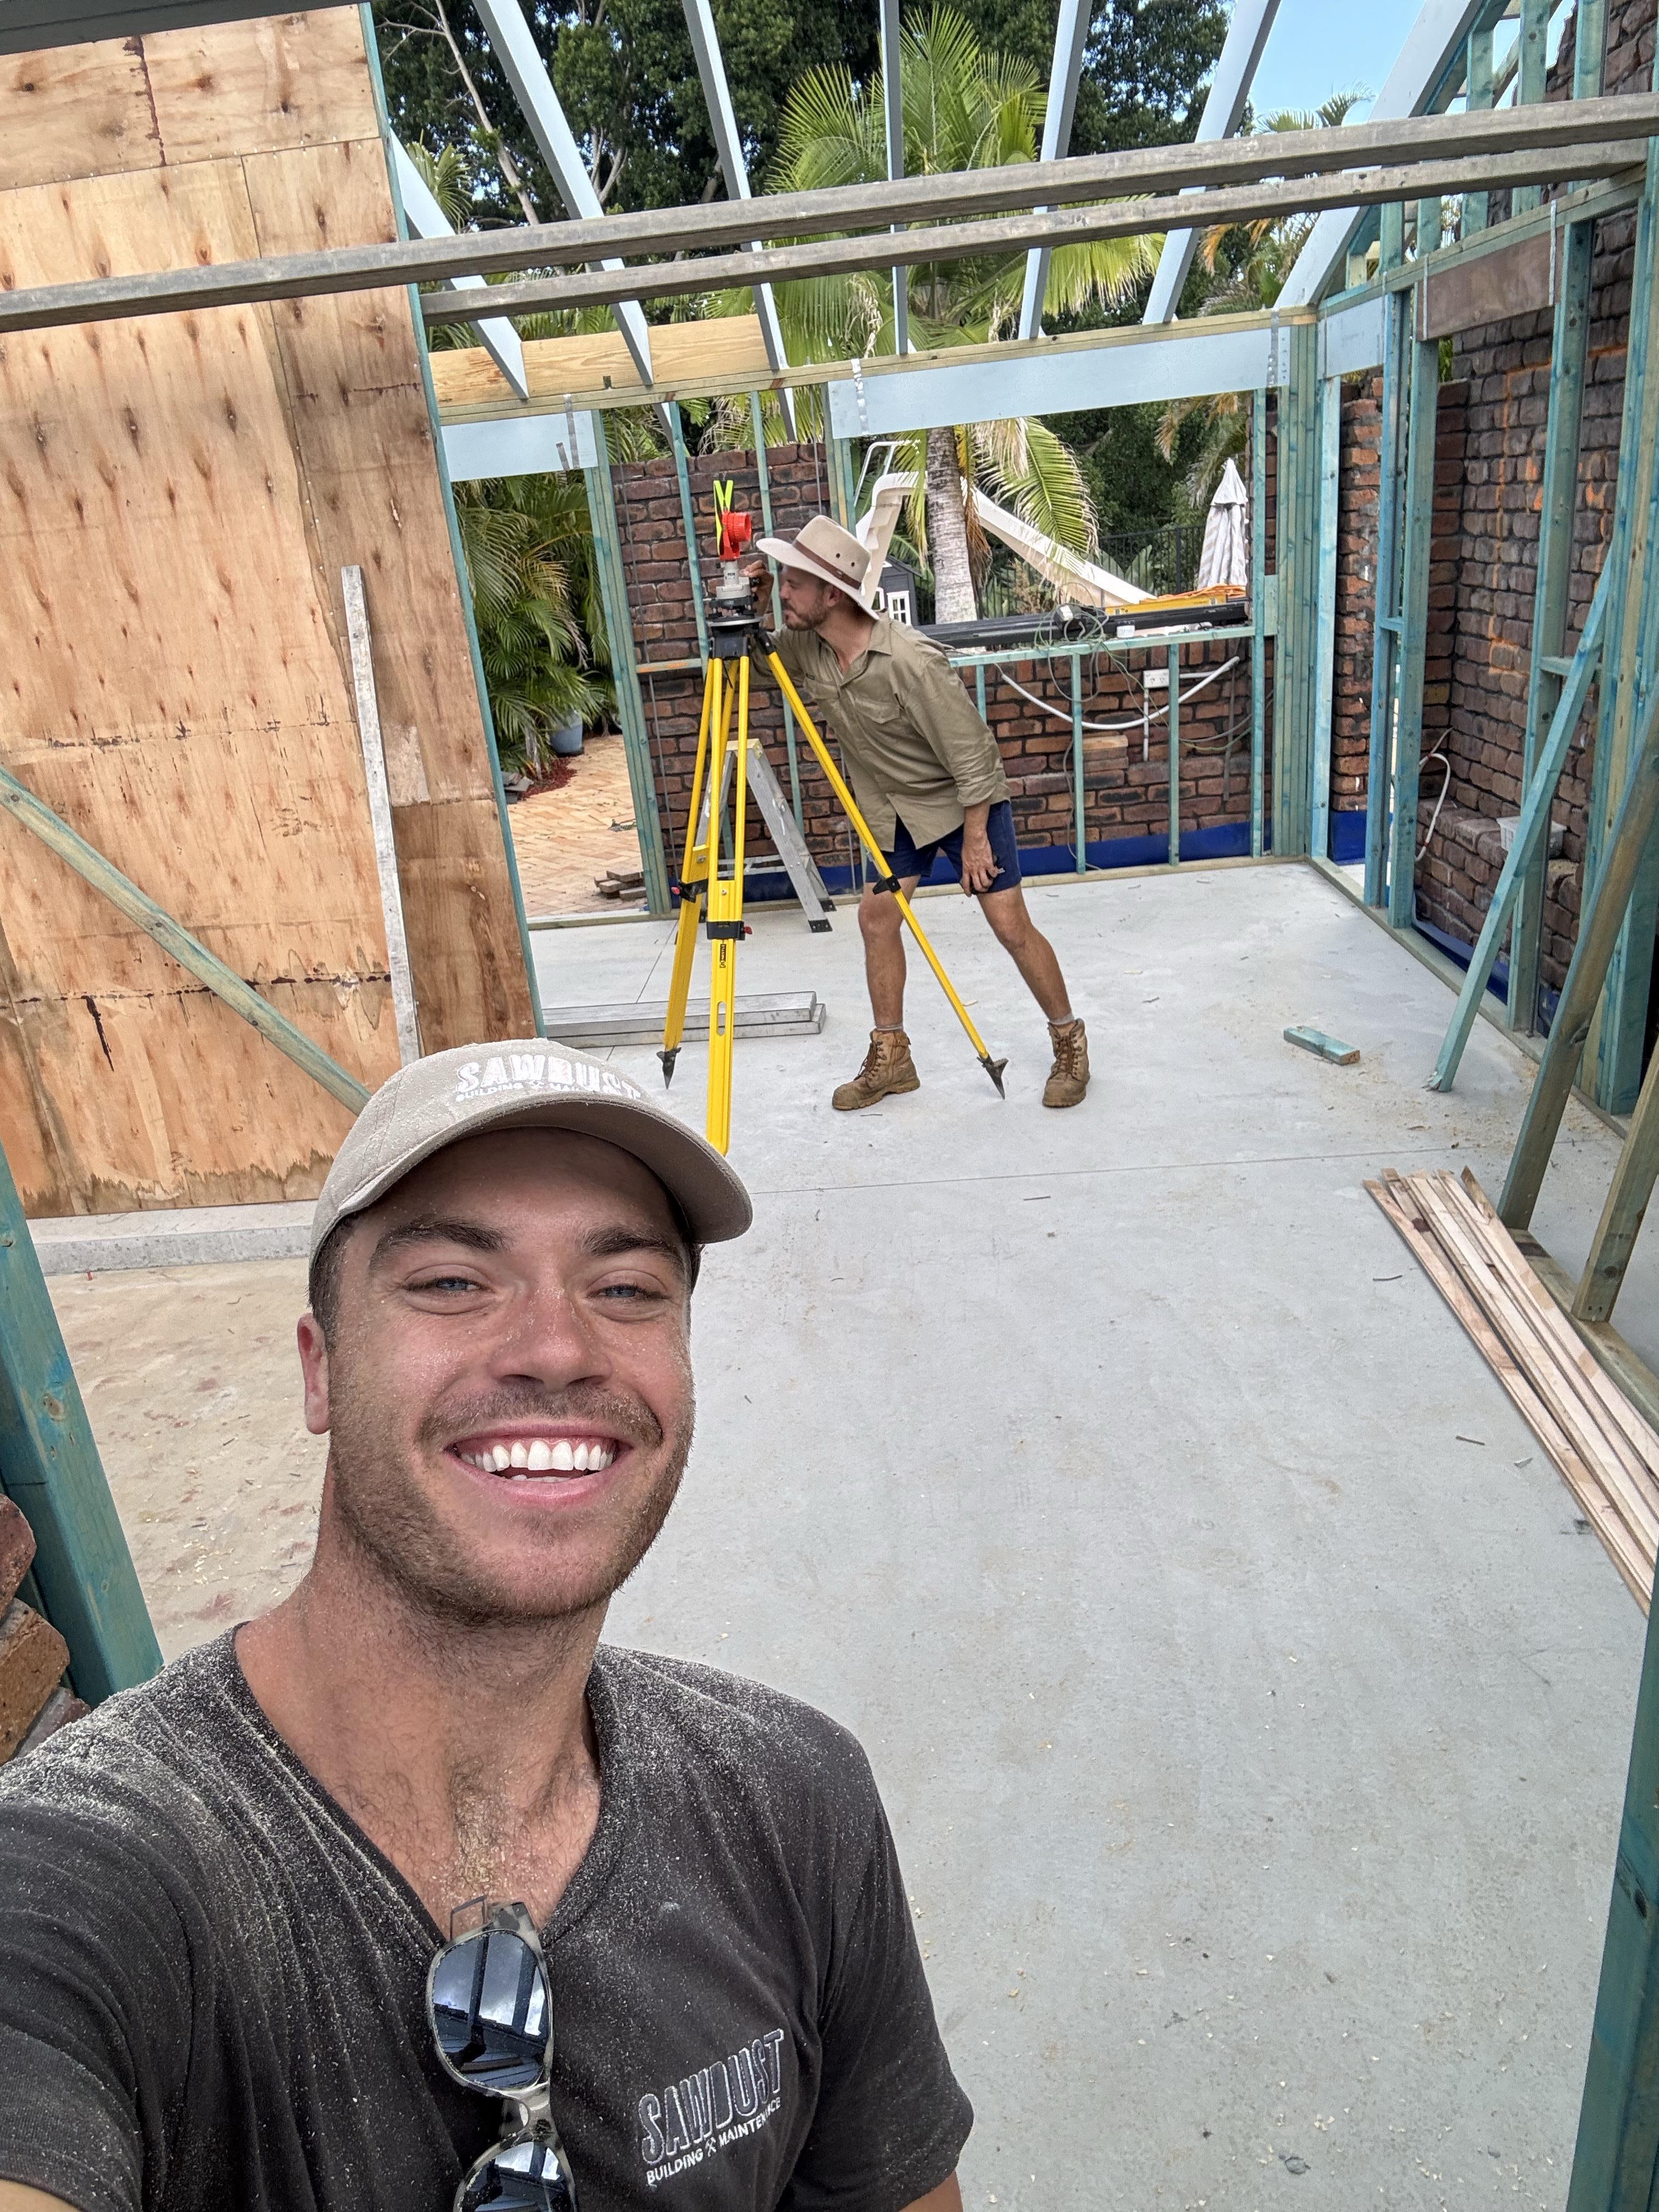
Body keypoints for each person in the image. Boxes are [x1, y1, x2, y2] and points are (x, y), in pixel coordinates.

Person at [0, 1043, 972, 2212]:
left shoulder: (795, 1801)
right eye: (455, 1282)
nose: (559, 1349)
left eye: (625, 1290)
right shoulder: (82, 1890)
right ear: (321, 1371)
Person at [755, 516, 1089, 1111]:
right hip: (891, 811)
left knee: (1009, 925)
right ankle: (893, 1059)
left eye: (793, 581)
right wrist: (756, 604)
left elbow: (975, 758)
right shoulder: (810, 649)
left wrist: (978, 841)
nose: (785, 591)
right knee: (877, 920)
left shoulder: (912, 661)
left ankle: (1070, 1041)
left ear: (833, 593)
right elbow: (761, 663)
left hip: (963, 806)